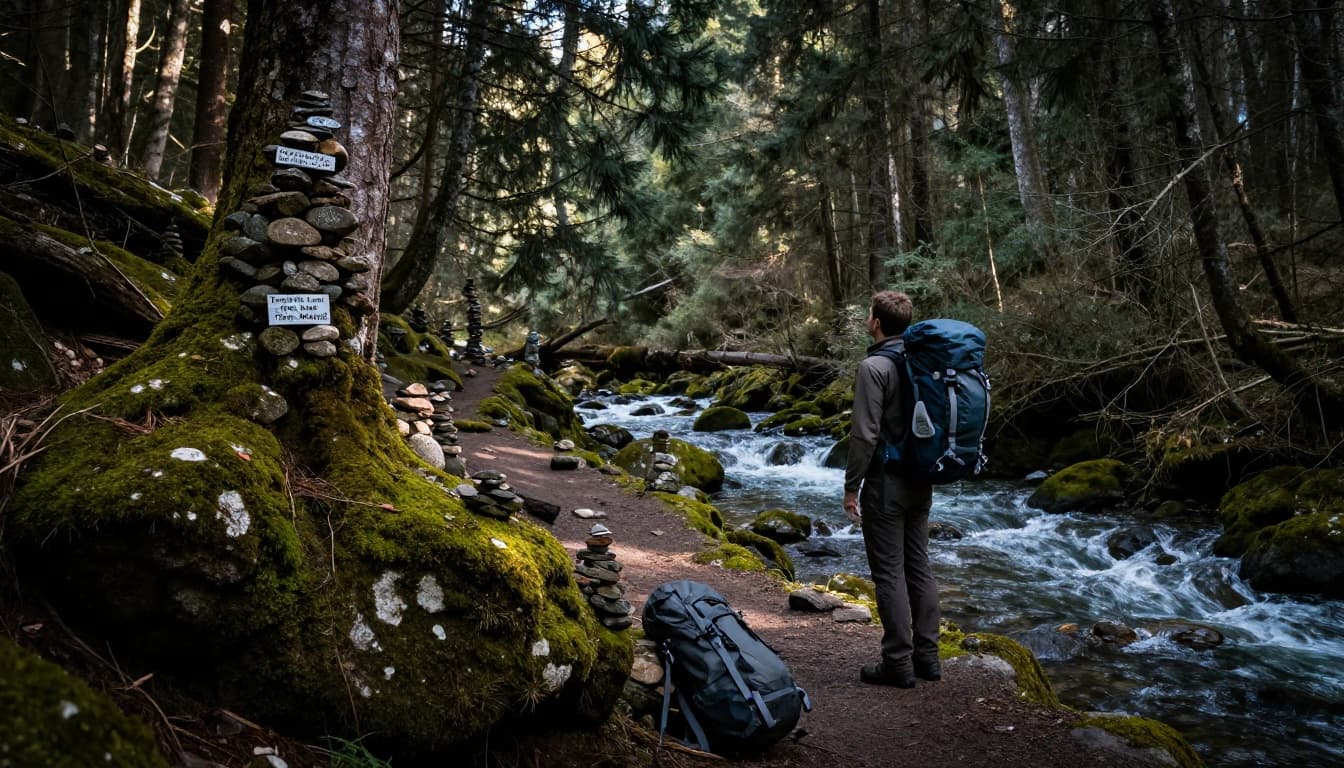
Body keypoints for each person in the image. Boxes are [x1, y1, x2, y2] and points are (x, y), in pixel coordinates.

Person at [843, 290, 940, 687]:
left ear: (877, 322)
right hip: (922, 478)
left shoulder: (875, 367)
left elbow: (865, 435)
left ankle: (897, 664)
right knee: (919, 566)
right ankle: (928, 659)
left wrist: (852, 487)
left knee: (888, 574)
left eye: (869, 315)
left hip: (887, 482)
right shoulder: (924, 361)